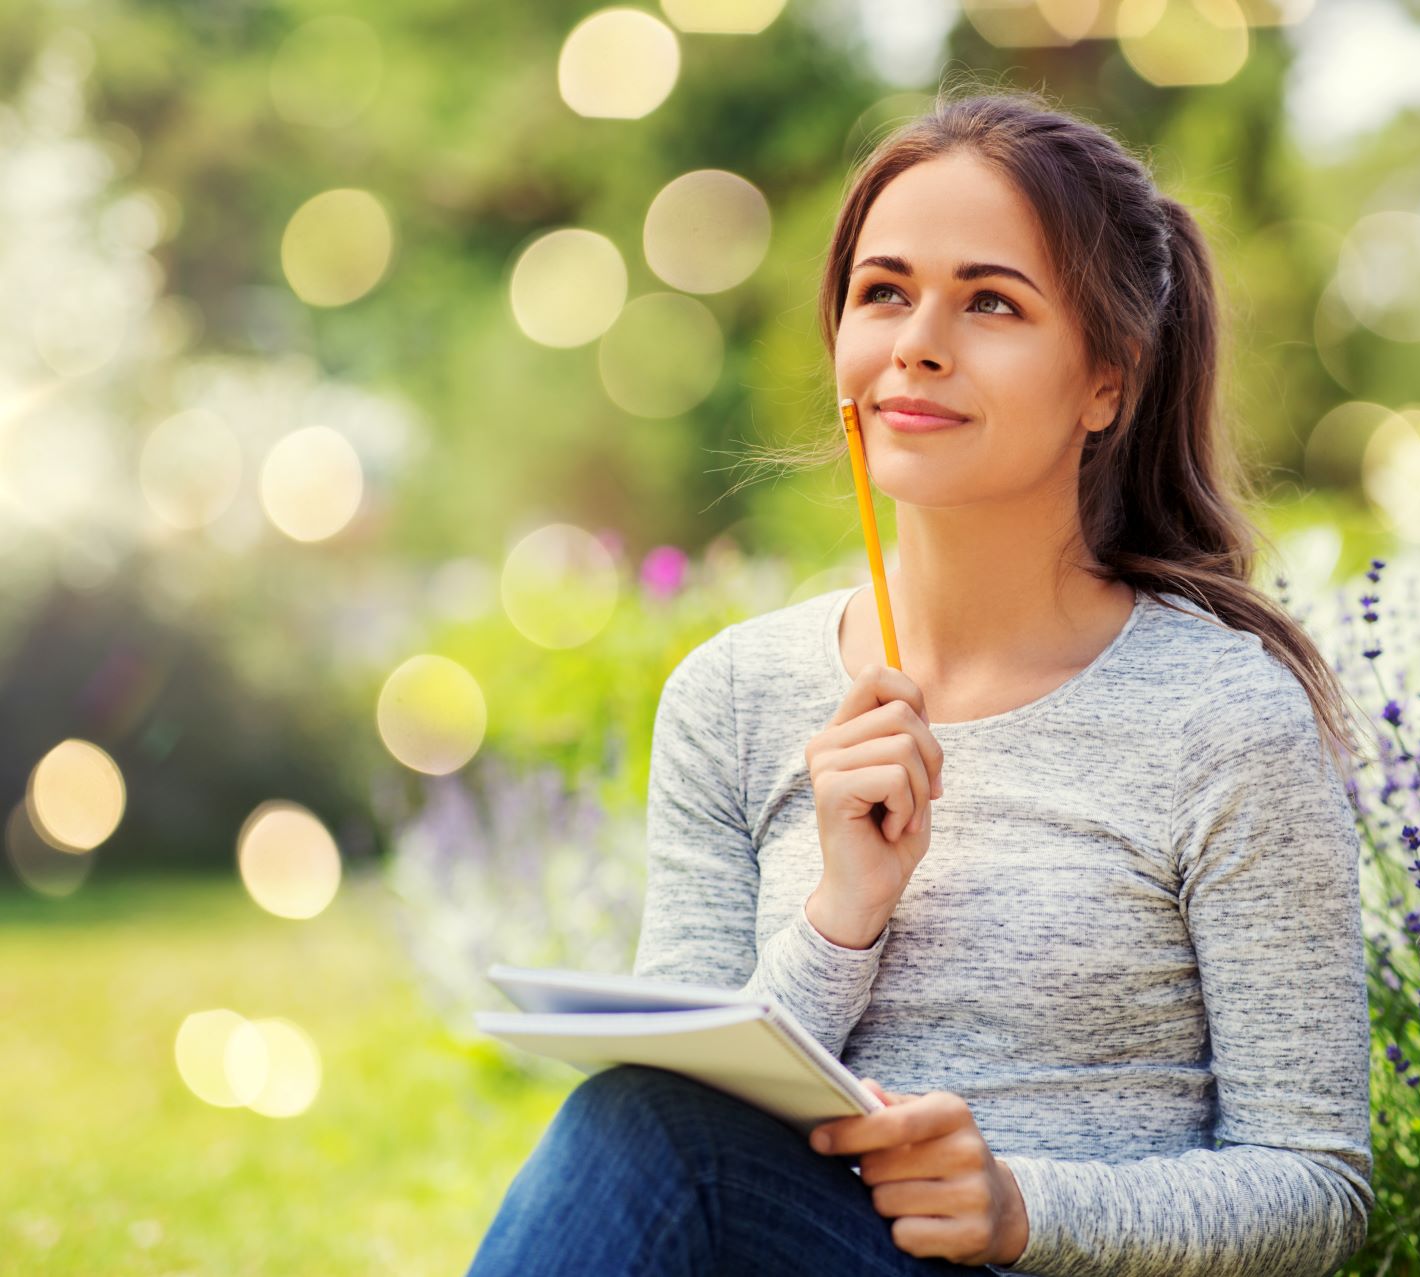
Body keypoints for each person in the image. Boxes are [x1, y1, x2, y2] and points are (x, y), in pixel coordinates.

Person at [467, 85, 1374, 1277]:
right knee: (641, 1115)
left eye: (991, 301)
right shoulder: (733, 695)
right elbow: (673, 1114)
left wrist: (1020, 1206)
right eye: (883, 291)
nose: (917, 341)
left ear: (1109, 380)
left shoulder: (1222, 715)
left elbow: (1318, 1186)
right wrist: (844, 912)